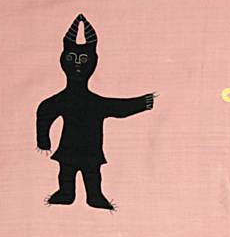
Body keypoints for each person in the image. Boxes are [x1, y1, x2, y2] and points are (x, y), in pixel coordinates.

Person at [36, 14, 155, 210]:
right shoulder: (79, 101)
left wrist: (142, 103)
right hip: (79, 148)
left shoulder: (89, 102)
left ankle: (92, 195)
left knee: (89, 174)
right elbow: (45, 111)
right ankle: (69, 193)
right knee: (70, 172)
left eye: (83, 59)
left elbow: (117, 108)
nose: (77, 64)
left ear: (92, 62)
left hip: (83, 148)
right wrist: (43, 140)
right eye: (72, 58)